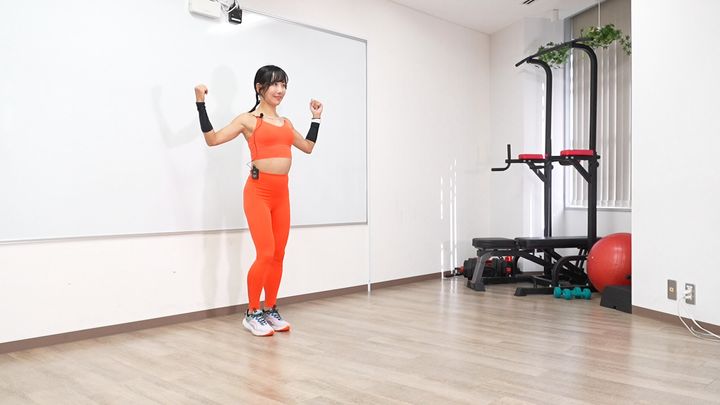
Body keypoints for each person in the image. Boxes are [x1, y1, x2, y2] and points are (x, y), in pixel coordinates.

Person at [194, 65, 323, 336]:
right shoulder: (248, 120)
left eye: (283, 85)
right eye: (274, 84)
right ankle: (252, 312)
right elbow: (212, 140)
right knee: (265, 253)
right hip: (258, 193)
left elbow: (308, 147)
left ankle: (270, 308)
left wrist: (316, 119)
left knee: (278, 254)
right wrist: (200, 103)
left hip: (281, 194)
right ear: (259, 88)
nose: (280, 90)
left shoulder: (286, 123)